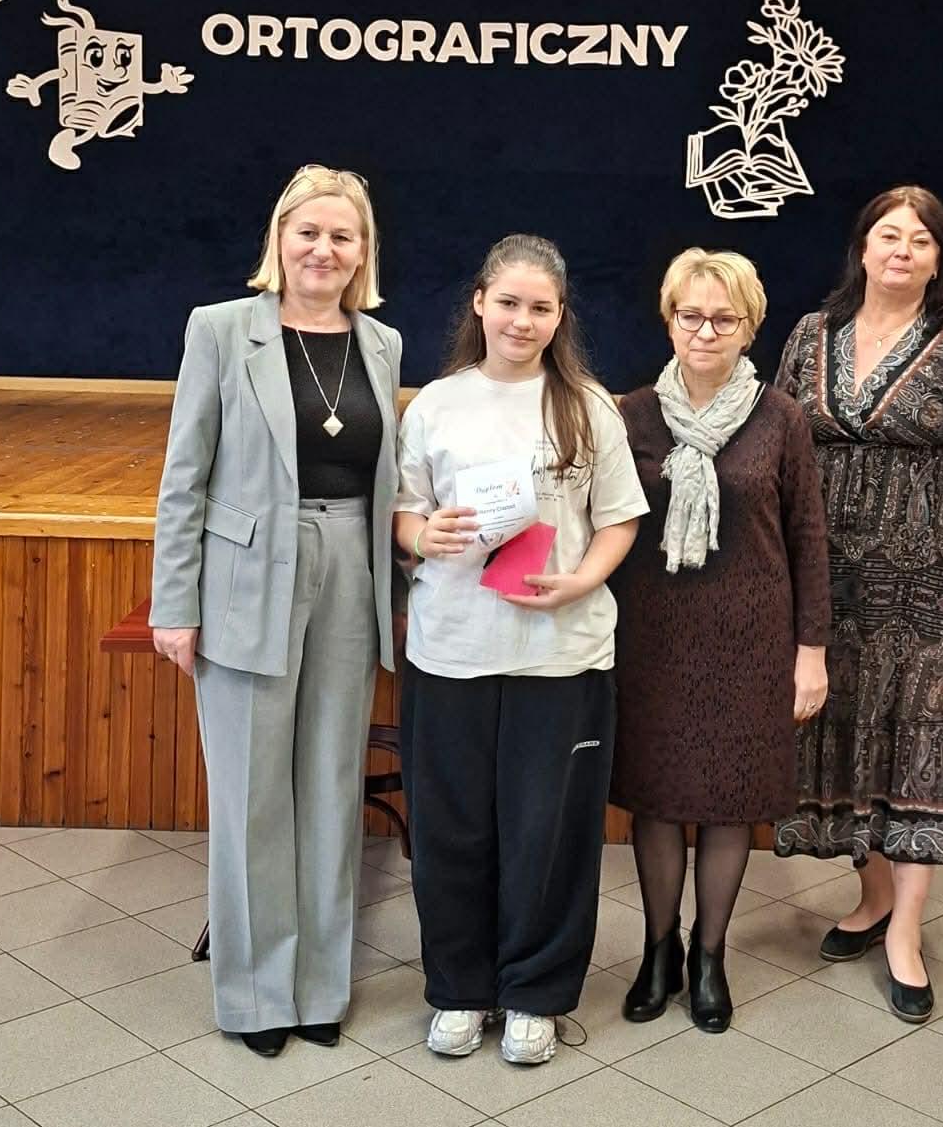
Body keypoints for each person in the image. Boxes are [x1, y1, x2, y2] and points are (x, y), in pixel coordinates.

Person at [150, 165, 401, 1057]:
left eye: (342, 236)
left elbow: (384, 476)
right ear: (280, 240)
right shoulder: (221, 330)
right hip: (247, 577)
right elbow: (184, 477)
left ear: (363, 252)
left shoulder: (382, 343)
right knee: (253, 795)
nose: (323, 250)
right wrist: (174, 603)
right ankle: (258, 995)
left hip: (350, 568)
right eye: (308, 233)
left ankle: (319, 987)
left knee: (331, 787)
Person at [775, 185, 943, 1021]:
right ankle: (874, 894)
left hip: (925, 593)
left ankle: (906, 936)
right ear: (863, 246)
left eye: (921, 240)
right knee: (848, 741)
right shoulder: (811, 334)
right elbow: (776, 448)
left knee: (918, 749)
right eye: (890, 235)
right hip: (828, 583)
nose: (902, 250)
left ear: (937, 259)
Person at [394, 233, 648, 1066]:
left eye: (540, 307)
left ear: (560, 315)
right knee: (453, 829)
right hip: (453, 651)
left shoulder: (588, 406)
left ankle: (536, 992)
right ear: (479, 302)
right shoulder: (436, 405)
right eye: (508, 302)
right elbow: (404, 510)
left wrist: (582, 582)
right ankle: (459, 988)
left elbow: (619, 520)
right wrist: (421, 535)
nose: (522, 320)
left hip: (561, 656)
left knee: (550, 833)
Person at [610, 248, 830, 1032]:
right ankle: (658, 950)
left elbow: (808, 540)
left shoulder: (781, 419)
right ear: (668, 320)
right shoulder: (632, 413)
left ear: (750, 327)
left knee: (730, 801)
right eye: (690, 315)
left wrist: (811, 652)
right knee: (657, 799)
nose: (705, 331)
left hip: (751, 643)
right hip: (654, 641)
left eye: (723, 318)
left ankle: (709, 956)